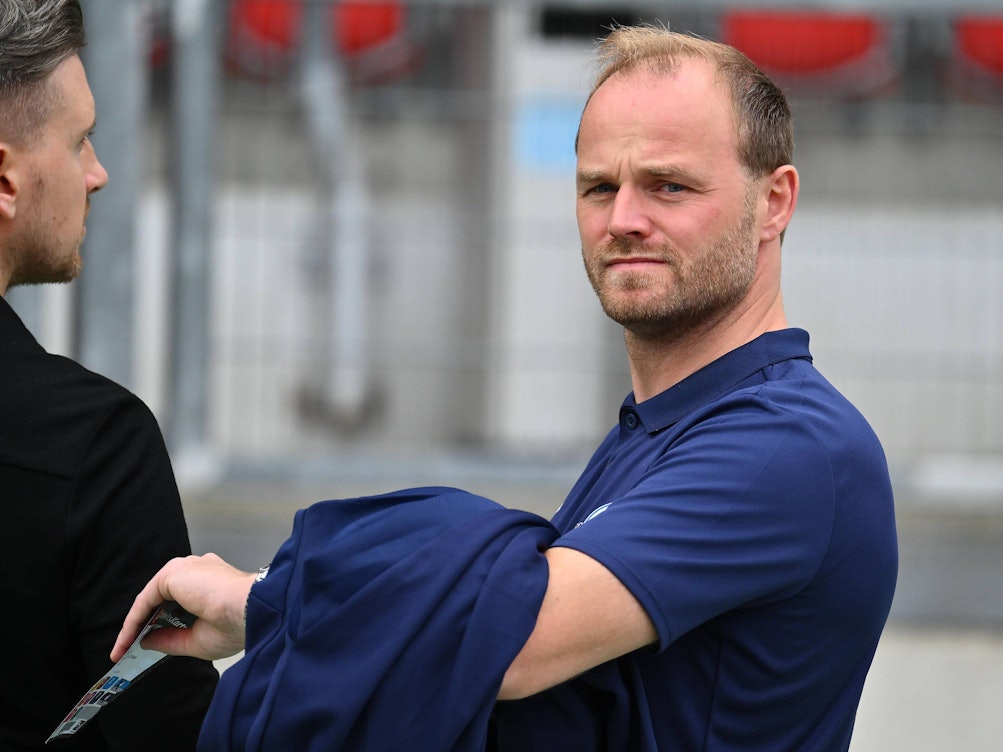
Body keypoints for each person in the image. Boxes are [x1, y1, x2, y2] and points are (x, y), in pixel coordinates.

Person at [114, 25, 898, 751]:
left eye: (668, 187)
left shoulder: (787, 445)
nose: (623, 218)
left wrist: (268, 600)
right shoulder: (662, 427)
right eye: (598, 187)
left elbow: (510, 643)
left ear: (773, 203)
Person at [0, 1, 218, 749]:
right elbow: (168, 733)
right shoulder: (94, 446)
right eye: (79, 140)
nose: (97, 174)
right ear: (5, 180)